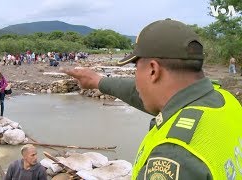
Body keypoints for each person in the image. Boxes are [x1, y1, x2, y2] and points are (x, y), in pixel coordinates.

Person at [62, 19, 242, 179]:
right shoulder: (224, 100)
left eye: (136, 68)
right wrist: (98, 81)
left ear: (153, 70)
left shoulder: (174, 155)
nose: (136, 79)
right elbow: (138, 93)